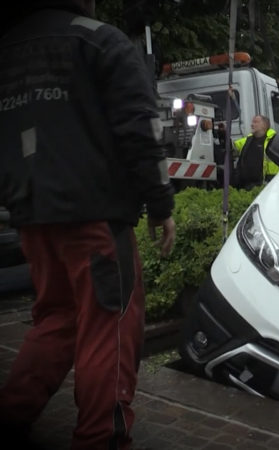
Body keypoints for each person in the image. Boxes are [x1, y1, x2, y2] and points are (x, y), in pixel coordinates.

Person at [0, 1, 176, 448]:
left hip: (33, 215)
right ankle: (102, 436)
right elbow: (141, 128)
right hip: (93, 216)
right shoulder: (101, 42)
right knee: (110, 324)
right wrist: (160, 204)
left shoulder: (10, 49)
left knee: (56, 318)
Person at [233, 115, 279, 188]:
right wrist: (223, 134)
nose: (252, 124)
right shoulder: (248, 140)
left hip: (265, 186)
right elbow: (232, 146)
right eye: (252, 122)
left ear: (264, 125)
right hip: (245, 186)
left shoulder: (274, 140)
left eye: (255, 122)